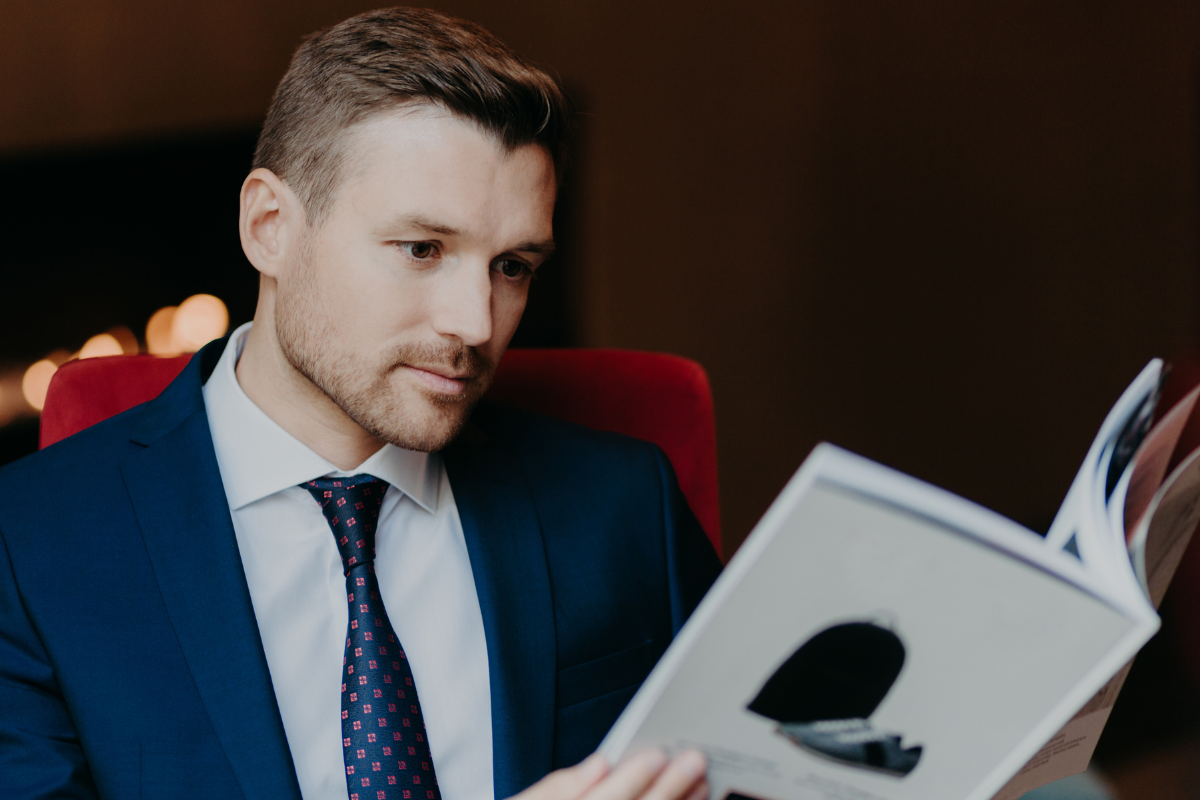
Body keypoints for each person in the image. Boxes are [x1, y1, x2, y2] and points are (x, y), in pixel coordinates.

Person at [0, 7, 722, 800]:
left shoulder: (624, 510)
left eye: (512, 265)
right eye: (422, 250)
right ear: (269, 225)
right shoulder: (25, 547)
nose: (475, 323)